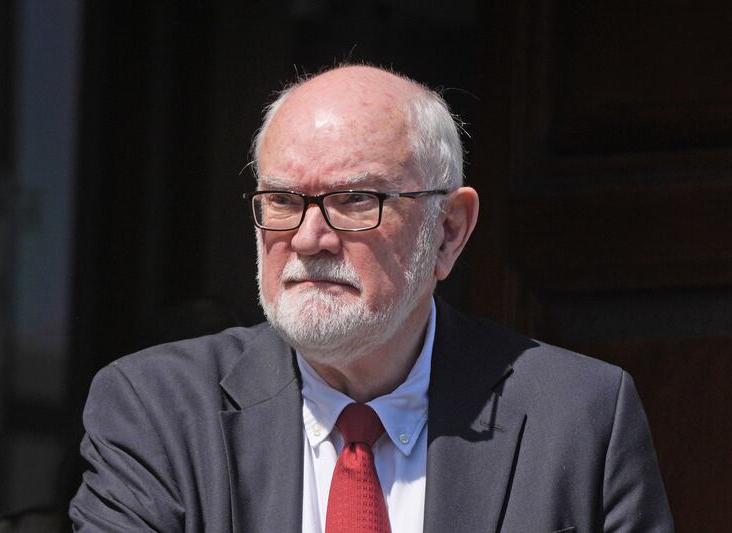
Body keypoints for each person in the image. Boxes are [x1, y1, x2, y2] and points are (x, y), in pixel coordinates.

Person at [70, 65, 673, 532]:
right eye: (282, 200)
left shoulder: (577, 415)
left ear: (449, 230)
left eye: (357, 199)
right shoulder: (157, 411)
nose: (309, 237)